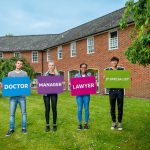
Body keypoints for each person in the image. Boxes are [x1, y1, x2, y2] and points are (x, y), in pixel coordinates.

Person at [6, 59, 28, 136]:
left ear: (22, 65)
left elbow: (26, 85)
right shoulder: (10, 74)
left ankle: (24, 128)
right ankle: (11, 129)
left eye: (20, 64)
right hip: (13, 98)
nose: (19, 65)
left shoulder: (25, 74)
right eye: (18, 63)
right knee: (12, 114)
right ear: (15, 64)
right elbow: (8, 85)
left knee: (23, 113)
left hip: (22, 97)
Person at [105, 56, 124, 130]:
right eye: (113, 61)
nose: (114, 62)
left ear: (117, 62)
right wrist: (105, 78)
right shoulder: (107, 70)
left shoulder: (121, 70)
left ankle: (119, 122)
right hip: (112, 91)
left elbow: (125, 79)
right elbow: (106, 80)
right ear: (111, 62)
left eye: (116, 61)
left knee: (120, 107)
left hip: (120, 91)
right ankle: (113, 122)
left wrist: (128, 78)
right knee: (112, 107)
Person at [43, 60, 59, 132]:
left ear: (54, 66)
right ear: (48, 66)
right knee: (47, 109)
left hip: (54, 94)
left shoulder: (57, 74)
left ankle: (54, 124)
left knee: (54, 108)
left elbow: (59, 83)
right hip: (46, 94)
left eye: (52, 65)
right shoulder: (45, 74)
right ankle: (47, 125)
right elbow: (42, 84)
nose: (51, 66)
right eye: (50, 65)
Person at [75, 63, 91, 130]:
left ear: (86, 68)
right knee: (79, 109)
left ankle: (86, 124)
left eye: (85, 67)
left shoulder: (89, 75)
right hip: (79, 95)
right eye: (82, 67)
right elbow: (74, 85)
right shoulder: (76, 76)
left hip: (86, 95)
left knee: (86, 108)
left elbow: (91, 85)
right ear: (80, 68)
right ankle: (79, 124)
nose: (83, 68)